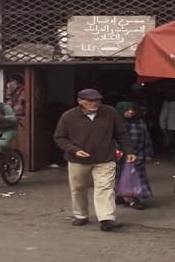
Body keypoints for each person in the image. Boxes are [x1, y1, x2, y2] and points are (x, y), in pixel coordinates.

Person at [53, 88, 134, 232]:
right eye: (90, 101)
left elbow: (121, 133)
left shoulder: (110, 112)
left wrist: (128, 150)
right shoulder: (68, 116)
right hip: (77, 159)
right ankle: (81, 215)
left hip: (105, 158)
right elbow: (59, 137)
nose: (95, 103)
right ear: (80, 101)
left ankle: (106, 219)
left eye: (97, 100)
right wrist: (74, 150)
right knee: (78, 188)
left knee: (105, 188)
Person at [115, 101, 154, 210]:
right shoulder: (117, 124)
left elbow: (146, 138)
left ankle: (131, 197)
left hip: (138, 156)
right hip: (120, 156)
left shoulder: (140, 122)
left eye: (132, 109)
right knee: (121, 177)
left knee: (135, 177)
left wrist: (148, 153)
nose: (131, 112)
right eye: (127, 110)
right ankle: (127, 198)